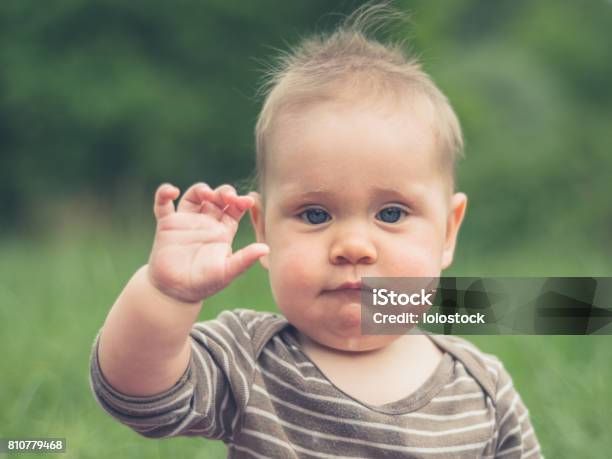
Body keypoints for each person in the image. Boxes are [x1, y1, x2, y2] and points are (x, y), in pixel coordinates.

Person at [89, 3, 542, 457]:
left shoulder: (482, 390)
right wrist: (166, 294)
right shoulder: (249, 359)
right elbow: (140, 399)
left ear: (447, 232)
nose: (353, 247)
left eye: (391, 214)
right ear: (264, 231)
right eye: (315, 215)